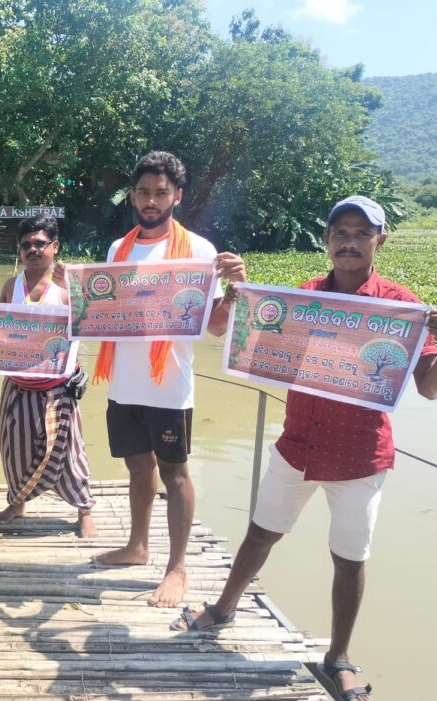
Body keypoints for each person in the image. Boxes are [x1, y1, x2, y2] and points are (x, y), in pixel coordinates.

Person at [171, 195, 437, 701]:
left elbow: (432, 389)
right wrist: (243, 297)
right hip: (298, 444)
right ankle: (224, 607)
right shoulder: (303, 296)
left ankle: (339, 656)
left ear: (379, 241)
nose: (349, 242)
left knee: (349, 559)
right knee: (261, 532)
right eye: (340, 233)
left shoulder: (402, 307)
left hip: (360, 455)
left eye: (361, 233)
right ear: (327, 241)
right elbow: (256, 344)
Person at [91, 151, 247, 610]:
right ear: (132, 196)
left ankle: (177, 568)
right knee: (138, 467)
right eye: (144, 192)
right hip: (124, 382)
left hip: (170, 385)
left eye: (161, 193)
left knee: (175, 473)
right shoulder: (116, 251)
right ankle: (137, 546)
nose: (151, 200)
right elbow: (103, 311)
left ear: (177, 196)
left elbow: (214, 327)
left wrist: (234, 293)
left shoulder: (200, 252)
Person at [0, 215, 97, 536]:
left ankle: (84, 508)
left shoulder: (67, 288)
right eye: (26, 244)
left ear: (55, 246)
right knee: (14, 449)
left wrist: (77, 288)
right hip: (18, 385)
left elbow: (90, 324)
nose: (33, 249)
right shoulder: (10, 286)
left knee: (70, 452)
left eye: (40, 243)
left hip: (58, 387)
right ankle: (17, 502)